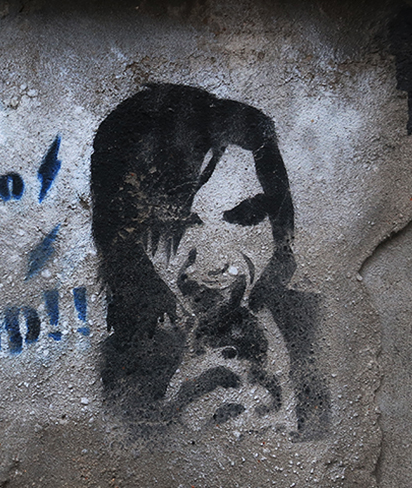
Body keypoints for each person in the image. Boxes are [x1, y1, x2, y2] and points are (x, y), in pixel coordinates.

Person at [91, 84, 329, 440]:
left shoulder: (312, 342)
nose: (218, 259)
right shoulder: (121, 367)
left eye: (247, 216)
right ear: (130, 232)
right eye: (186, 223)